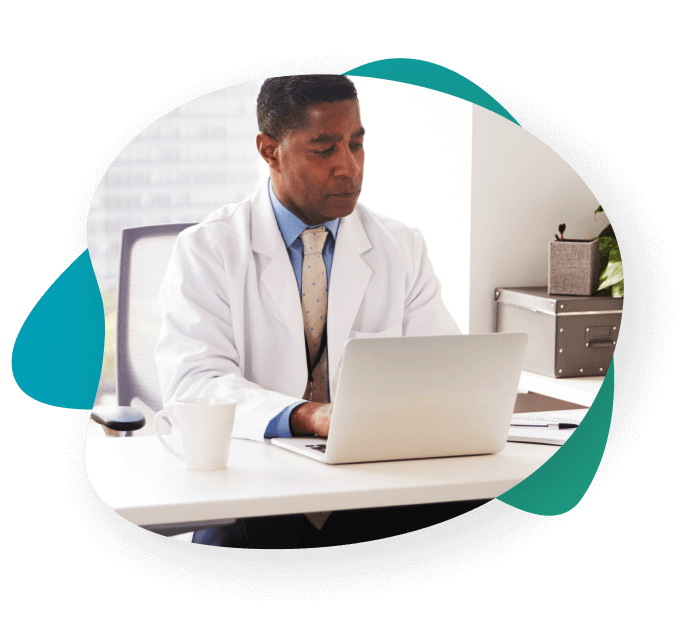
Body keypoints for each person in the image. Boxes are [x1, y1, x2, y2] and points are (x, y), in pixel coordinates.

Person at [155, 75, 490, 548]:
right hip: (254, 491)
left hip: (372, 490)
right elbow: (195, 382)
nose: (348, 167)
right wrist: (304, 415)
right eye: (324, 149)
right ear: (270, 150)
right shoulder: (209, 249)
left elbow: (446, 371)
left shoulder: (401, 246)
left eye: (356, 144)